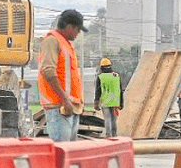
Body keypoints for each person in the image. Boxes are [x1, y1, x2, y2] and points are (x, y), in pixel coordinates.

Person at [37, 9, 88, 142]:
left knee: (69, 154)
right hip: (59, 106)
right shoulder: (52, 40)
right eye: (77, 29)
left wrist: (79, 101)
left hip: (69, 106)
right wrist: (65, 99)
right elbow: (48, 71)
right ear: (70, 26)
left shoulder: (66, 44)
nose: (78, 33)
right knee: (62, 152)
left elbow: (70, 76)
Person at [94, 57, 123, 137]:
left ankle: (108, 136)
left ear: (101, 67)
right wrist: (121, 102)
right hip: (115, 101)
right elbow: (120, 90)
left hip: (105, 101)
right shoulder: (116, 76)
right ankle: (114, 135)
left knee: (107, 119)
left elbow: (98, 91)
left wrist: (96, 102)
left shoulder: (100, 76)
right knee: (114, 120)